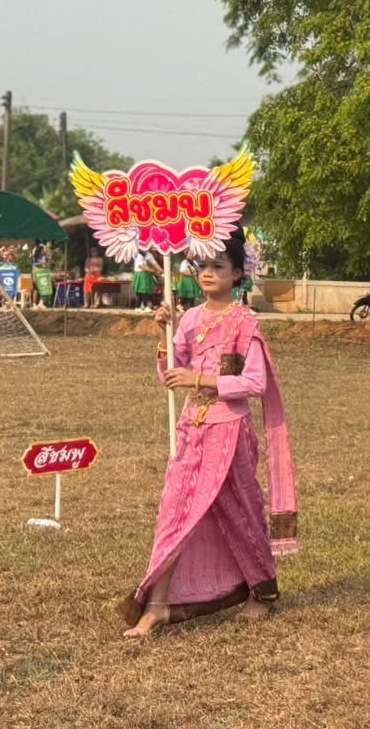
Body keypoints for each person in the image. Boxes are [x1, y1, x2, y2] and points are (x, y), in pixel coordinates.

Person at [120, 232, 297, 638]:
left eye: (218, 266)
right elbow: (171, 373)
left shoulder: (243, 322)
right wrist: (164, 334)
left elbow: (254, 382)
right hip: (192, 427)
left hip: (230, 430)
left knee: (240, 510)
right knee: (175, 511)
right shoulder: (191, 319)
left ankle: (263, 591)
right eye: (203, 266)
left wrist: (199, 379)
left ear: (238, 274)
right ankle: (156, 606)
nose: (208, 273)